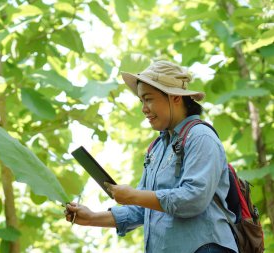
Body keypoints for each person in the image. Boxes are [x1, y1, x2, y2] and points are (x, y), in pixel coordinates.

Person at [65, 60, 239, 253]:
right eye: (141, 101)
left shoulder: (200, 137)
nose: (144, 108)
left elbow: (193, 199)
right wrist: (91, 218)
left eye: (148, 99)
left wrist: (134, 196)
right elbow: (142, 208)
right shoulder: (157, 148)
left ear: (174, 97)